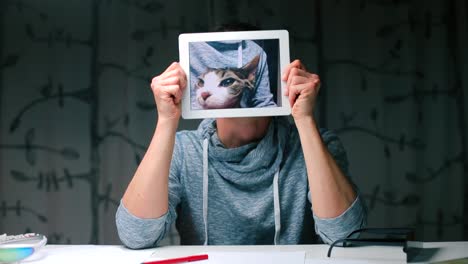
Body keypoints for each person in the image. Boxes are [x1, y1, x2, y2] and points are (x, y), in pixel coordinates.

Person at [115, 24, 367, 249]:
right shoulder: (183, 151)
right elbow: (136, 236)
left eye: (225, 80)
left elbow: (344, 235)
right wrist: (166, 121)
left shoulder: (318, 145)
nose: (207, 92)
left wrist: (304, 119)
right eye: (203, 81)